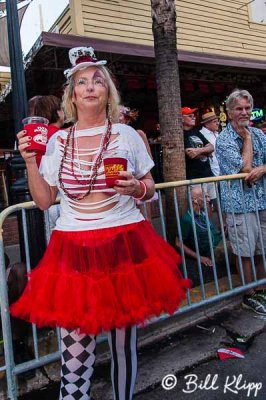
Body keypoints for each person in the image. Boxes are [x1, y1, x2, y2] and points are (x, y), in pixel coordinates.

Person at [11, 46, 190, 400]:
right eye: (82, 82)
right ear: (72, 95)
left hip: (123, 243)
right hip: (72, 249)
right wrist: (31, 162)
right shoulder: (58, 141)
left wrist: (138, 187)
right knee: (74, 353)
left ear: (108, 92)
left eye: (98, 81)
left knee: (123, 345)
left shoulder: (126, 135)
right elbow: (45, 201)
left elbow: (150, 188)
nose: (90, 86)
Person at [216, 89, 266, 315]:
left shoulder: (260, 135)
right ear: (229, 112)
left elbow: (261, 165)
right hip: (239, 205)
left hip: (262, 200)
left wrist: (263, 168)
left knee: (261, 249)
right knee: (244, 251)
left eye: (247, 108)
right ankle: (249, 294)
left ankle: (262, 289)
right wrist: (246, 138)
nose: (244, 112)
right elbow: (245, 168)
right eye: (239, 109)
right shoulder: (224, 140)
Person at [175, 187, 232, 286]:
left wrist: (224, 232)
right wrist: (200, 258)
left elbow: (211, 233)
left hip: (220, 244)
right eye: (205, 197)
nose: (209, 200)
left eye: (208, 197)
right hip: (214, 251)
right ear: (195, 200)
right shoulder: (187, 220)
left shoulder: (203, 213)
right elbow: (178, 243)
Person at [119, 105, 158, 222]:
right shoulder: (110, 135)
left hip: (139, 181)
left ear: (126, 118)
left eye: (120, 115)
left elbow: (148, 159)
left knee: (146, 220)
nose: (116, 117)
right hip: (121, 185)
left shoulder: (138, 133)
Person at [182, 107, 216, 203]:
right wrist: (206, 152)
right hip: (195, 176)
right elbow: (191, 154)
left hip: (208, 173)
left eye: (194, 115)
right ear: (181, 118)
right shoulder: (181, 134)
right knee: (203, 204)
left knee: (215, 202)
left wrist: (199, 151)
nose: (194, 117)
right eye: (190, 116)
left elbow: (211, 147)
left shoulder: (196, 131)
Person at [28, 95, 65, 167]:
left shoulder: (35, 133)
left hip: (37, 175)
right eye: (62, 109)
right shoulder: (63, 134)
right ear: (58, 113)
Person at [199, 111, 220, 177]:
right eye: (214, 122)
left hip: (222, 169)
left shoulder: (218, 134)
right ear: (206, 124)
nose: (218, 123)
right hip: (210, 171)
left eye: (217, 121)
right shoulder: (201, 134)